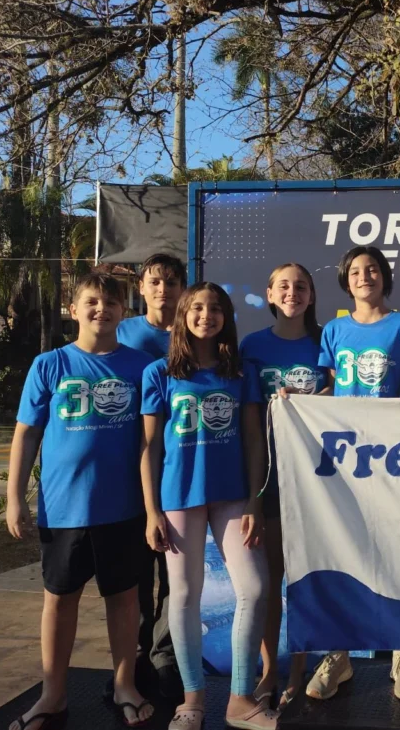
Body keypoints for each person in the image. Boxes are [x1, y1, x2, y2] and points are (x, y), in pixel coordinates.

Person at [6, 272, 156, 730]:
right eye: (92, 301)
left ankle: (124, 685)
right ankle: (53, 695)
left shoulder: (142, 368)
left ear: (123, 312)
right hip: (63, 509)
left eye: (111, 302)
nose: (101, 309)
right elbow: (26, 434)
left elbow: (151, 442)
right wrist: (14, 498)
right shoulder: (49, 364)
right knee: (59, 601)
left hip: (124, 508)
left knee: (124, 600)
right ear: (74, 310)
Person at [140, 282, 276, 730]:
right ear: (183, 315)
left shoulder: (241, 372)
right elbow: (150, 448)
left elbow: (254, 440)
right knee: (183, 595)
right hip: (179, 497)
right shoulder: (159, 373)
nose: (206, 315)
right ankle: (192, 700)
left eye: (215, 308)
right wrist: (151, 511)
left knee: (254, 588)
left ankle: (240, 700)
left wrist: (255, 499)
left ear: (226, 318)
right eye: (196, 308)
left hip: (233, 495)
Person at [308, 245, 400, 703]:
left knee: (399, 554)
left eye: (372, 269)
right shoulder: (334, 330)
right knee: (345, 554)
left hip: (394, 458)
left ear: (385, 277)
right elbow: (326, 390)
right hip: (345, 462)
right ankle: (339, 655)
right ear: (346, 281)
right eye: (356, 271)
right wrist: (295, 403)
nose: (365, 276)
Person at [239, 263, 328, 710]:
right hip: (271, 478)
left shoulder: (326, 342)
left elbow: (344, 400)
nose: (293, 292)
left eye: (302, 286)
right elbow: (249, 422)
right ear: (271, 294)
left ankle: (300, 671)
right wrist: (254, 494)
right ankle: (270, 670)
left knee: (307, 580)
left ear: (311, 296)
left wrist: (311, 403)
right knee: (272, 579)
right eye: (284, 286)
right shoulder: (252, 346)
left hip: (320, 480)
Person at [117, 253, 187, 703]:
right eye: (155, 281)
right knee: (134, 578)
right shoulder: (122, 333)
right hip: (129, 471)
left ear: (183, 288)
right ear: (141, 287)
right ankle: (133, 660)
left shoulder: (195, 333)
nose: (163, 289)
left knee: (174, 575)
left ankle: (165, 659)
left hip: (179, 472)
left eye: (172, 282)